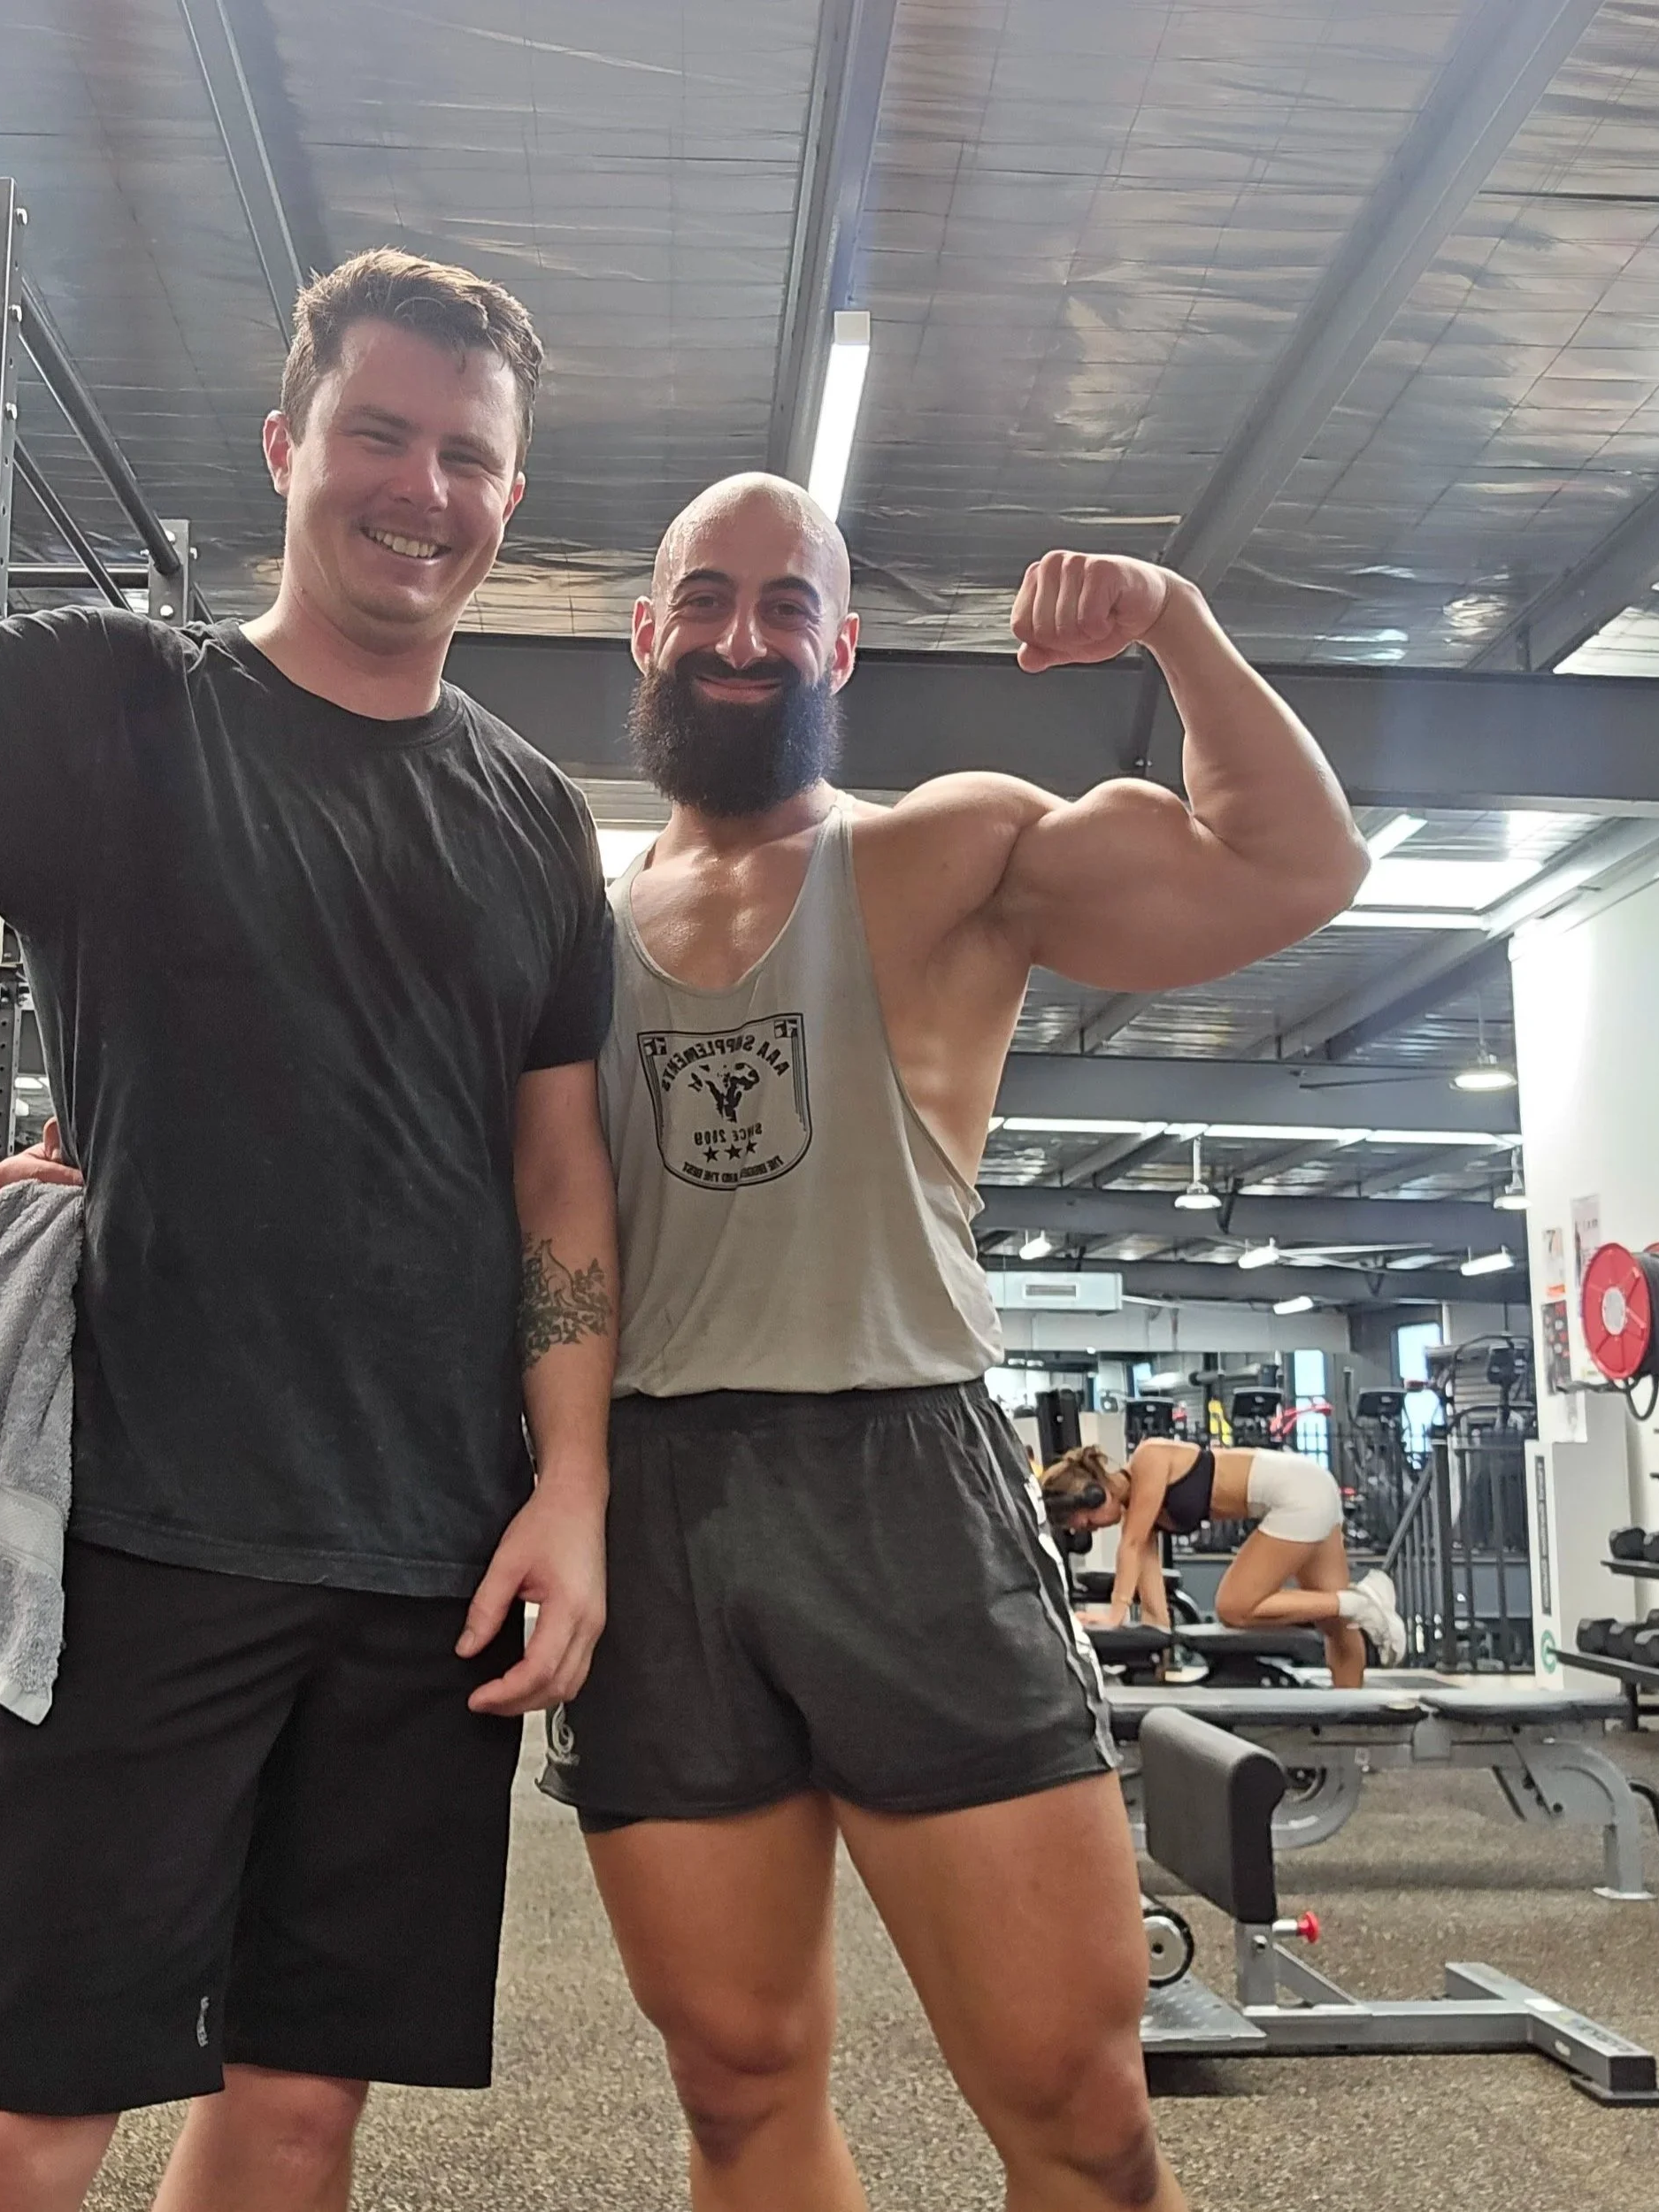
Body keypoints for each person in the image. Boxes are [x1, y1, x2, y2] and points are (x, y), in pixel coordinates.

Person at [0, 185, 618, 2212]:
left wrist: (572, 1489)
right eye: (382, 436)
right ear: (286, 446)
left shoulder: (528, 813)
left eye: (469, 457)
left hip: (425, 1558)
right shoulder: (110, 703)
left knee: (296, 2112)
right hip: (132, 1550)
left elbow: (558, 1171)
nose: (425, 491)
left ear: (512, 491)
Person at [539, 472, 1368, 2212]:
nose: (742, 632)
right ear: (646, 631)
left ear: (839, 642)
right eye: (705, 597)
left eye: (784, 604)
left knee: (1077, 2103)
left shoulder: (943, 847)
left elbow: (1297, 865)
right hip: (653, 1499)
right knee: (735, 2082)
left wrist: (1171, 623)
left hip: (898, 1476)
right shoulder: (553, 922)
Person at [1041, 1438, 1406, 1686]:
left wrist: (1113, 1616)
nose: (1091, 1528)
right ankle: (1352, 1733)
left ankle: (1359, 1600)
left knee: (1234, 1605)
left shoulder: (1149, 1458)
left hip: (1296, 1493)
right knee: (1336, 1623)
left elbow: (1131, 1545)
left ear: (1094, 1492)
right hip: (1308, 1487)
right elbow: (1155, 1609)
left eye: (1087, 1521)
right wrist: (1151, 1645)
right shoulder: (1143, 1513)